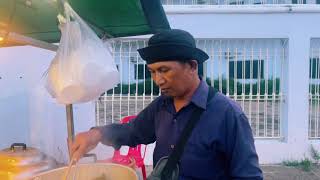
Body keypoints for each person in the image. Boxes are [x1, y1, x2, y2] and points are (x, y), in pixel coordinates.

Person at [70, 29, 263, 179]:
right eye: (152, 72)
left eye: (164, 70)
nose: (158, 80)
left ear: (192, 66)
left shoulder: (228, 114)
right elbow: (133, 131)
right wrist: (96, 134)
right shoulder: (161, 105)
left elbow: (248, 176)